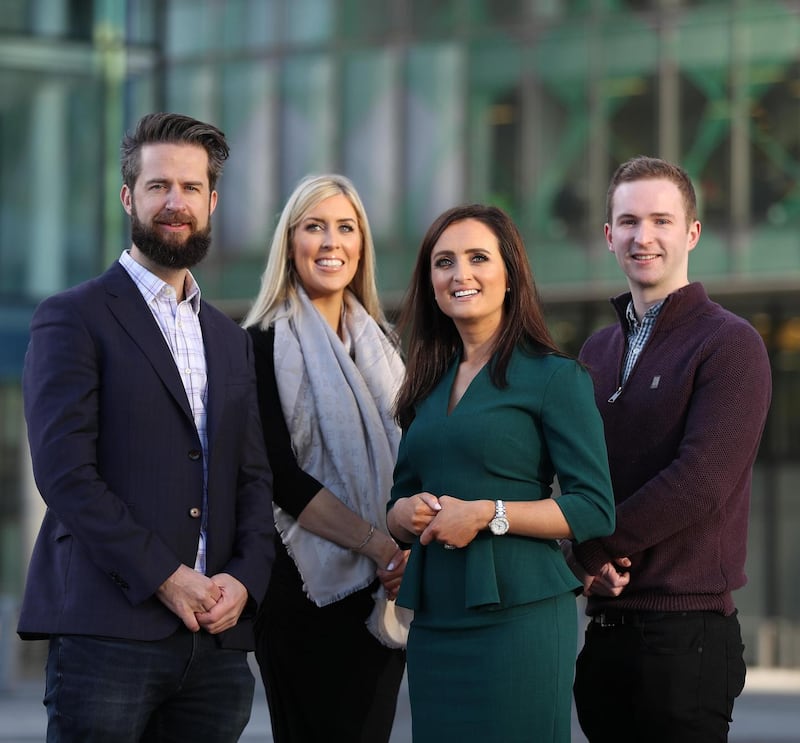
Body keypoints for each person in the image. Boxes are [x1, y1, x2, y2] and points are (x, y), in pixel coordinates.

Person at [17, 112, 275, 742]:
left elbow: (252, 479)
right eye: (159, 186)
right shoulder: (72, 317)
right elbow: (65, 475)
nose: (175, 203)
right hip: (107, 635)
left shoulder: (230, 338)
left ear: (212, 203)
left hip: (216, 644)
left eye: (191, 188)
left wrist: (245, 580)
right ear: (129, 197)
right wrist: (167, 576)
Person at [386, 203, 616, 743]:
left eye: (478, 258)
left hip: (520, 616)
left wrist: (488, 514)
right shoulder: (425, 385)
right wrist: (402, 514)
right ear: (430, 283)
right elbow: (398, 501)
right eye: (444, 262)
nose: (459, 274)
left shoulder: (556, 377)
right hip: (435, 619)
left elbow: (594, 507)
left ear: (510, 275)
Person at [566, 156, 772, 743]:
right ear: (609, 236)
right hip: (606, 629)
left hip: (687, 635)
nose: (644, 237)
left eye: (662, 220)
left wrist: (589, 550)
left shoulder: (729, 343)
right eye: (629, 222)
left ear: (693, 233)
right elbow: (578, 476)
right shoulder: (595, 352)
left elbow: (700, 481)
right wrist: (580, 558)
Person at [241, 173, 409, 743]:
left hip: (383, 590)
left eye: (346, 227)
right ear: (290, 243)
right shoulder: (258, 344)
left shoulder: (386, 347)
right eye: (315, 227)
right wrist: (381, 545)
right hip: (303, 593)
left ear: (361, 245)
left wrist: (402, 554)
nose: (332, 242)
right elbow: (279, 476)